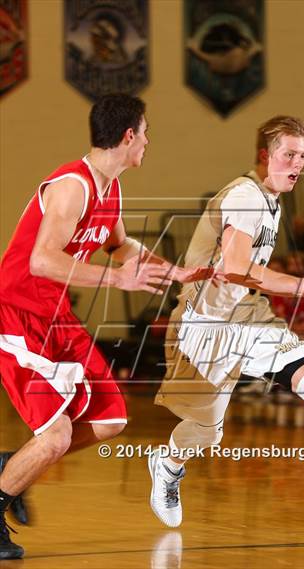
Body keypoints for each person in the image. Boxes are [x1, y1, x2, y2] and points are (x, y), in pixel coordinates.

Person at [148, 115, 304, 528]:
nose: (298, 164)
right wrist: (301, 286)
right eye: (289, 154)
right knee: (206, 432)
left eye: (302, 156)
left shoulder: (271, 199)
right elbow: (233, 266)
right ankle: (168, 465)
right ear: (264, 156)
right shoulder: (245, 196)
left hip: (244, 314)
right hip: (203, 323)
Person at [0, 94, 214, 559]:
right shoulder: (71, 186)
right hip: (16, 315)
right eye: (146, 132)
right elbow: (41, 259)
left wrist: (175, 273)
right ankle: (3, 492)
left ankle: (12, 469)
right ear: (128, 135)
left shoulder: (109, 188)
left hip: (57, 318)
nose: (148, 142)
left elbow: (120, 247)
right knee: (55, 437)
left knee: (110, 418)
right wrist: (117, 279)